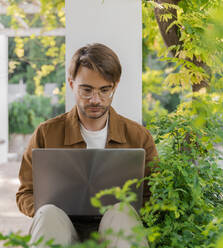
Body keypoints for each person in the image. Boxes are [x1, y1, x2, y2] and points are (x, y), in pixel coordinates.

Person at [16, 43, 158, 247]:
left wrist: (125, 209)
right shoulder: (46, 134)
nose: (95, 99)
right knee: (47, 213)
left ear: (115, 86)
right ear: (72, 84)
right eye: (86, 90)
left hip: (116, 229)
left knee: (122, 213)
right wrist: (46, 209)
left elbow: (153, 195)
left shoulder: (138, 136)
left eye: (104, 90)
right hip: (62, 227)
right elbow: (25, 193)